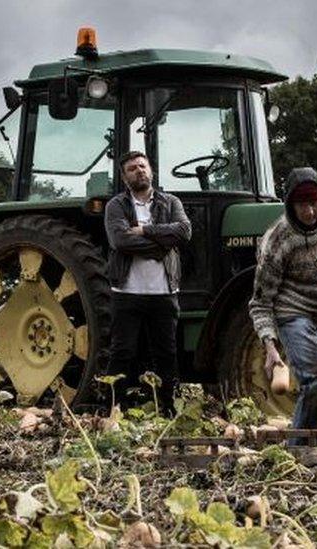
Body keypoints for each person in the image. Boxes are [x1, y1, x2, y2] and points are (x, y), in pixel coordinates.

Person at [249, 167, 317, 430]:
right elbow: (261, 302)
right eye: (302, 205)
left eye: (314, 203)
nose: (309, 212)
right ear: (290, 205)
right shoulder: (278, 239)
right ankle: (299, 446)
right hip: (292, 312)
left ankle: (315, 446)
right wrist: (270, 346)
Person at [104, 151, 191, 415]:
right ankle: (114, 408)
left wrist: (145, 230)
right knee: (122, 352)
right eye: (132, 168)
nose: (139, 171)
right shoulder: (116, 206)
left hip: (163, 292)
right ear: (124, 177)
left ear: (151, 170)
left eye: (142, 166)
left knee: (166, 354)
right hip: (127, 292)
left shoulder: (171, 202)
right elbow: (120, 241)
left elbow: (184, 231)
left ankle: (168, 408)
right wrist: (161, 246)